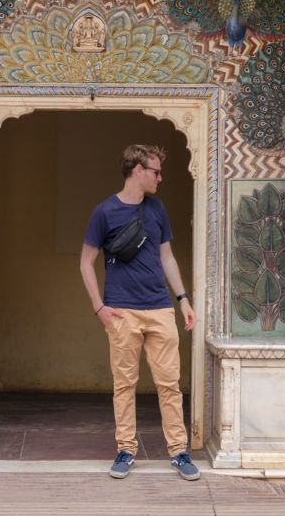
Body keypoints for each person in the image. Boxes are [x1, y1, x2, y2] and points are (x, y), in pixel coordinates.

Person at [80, 144, 200, 480]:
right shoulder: (105, 212)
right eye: (156, 171)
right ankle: (125, 450)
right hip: (121, 312)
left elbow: (167, 258)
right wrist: (99, 307)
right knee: (124, 385)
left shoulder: (157, 209)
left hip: (161, 308)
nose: (161, 178)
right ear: (137, 170)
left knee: (169, 384)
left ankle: (179, 451)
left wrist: (183, 299)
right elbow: (86, 262)